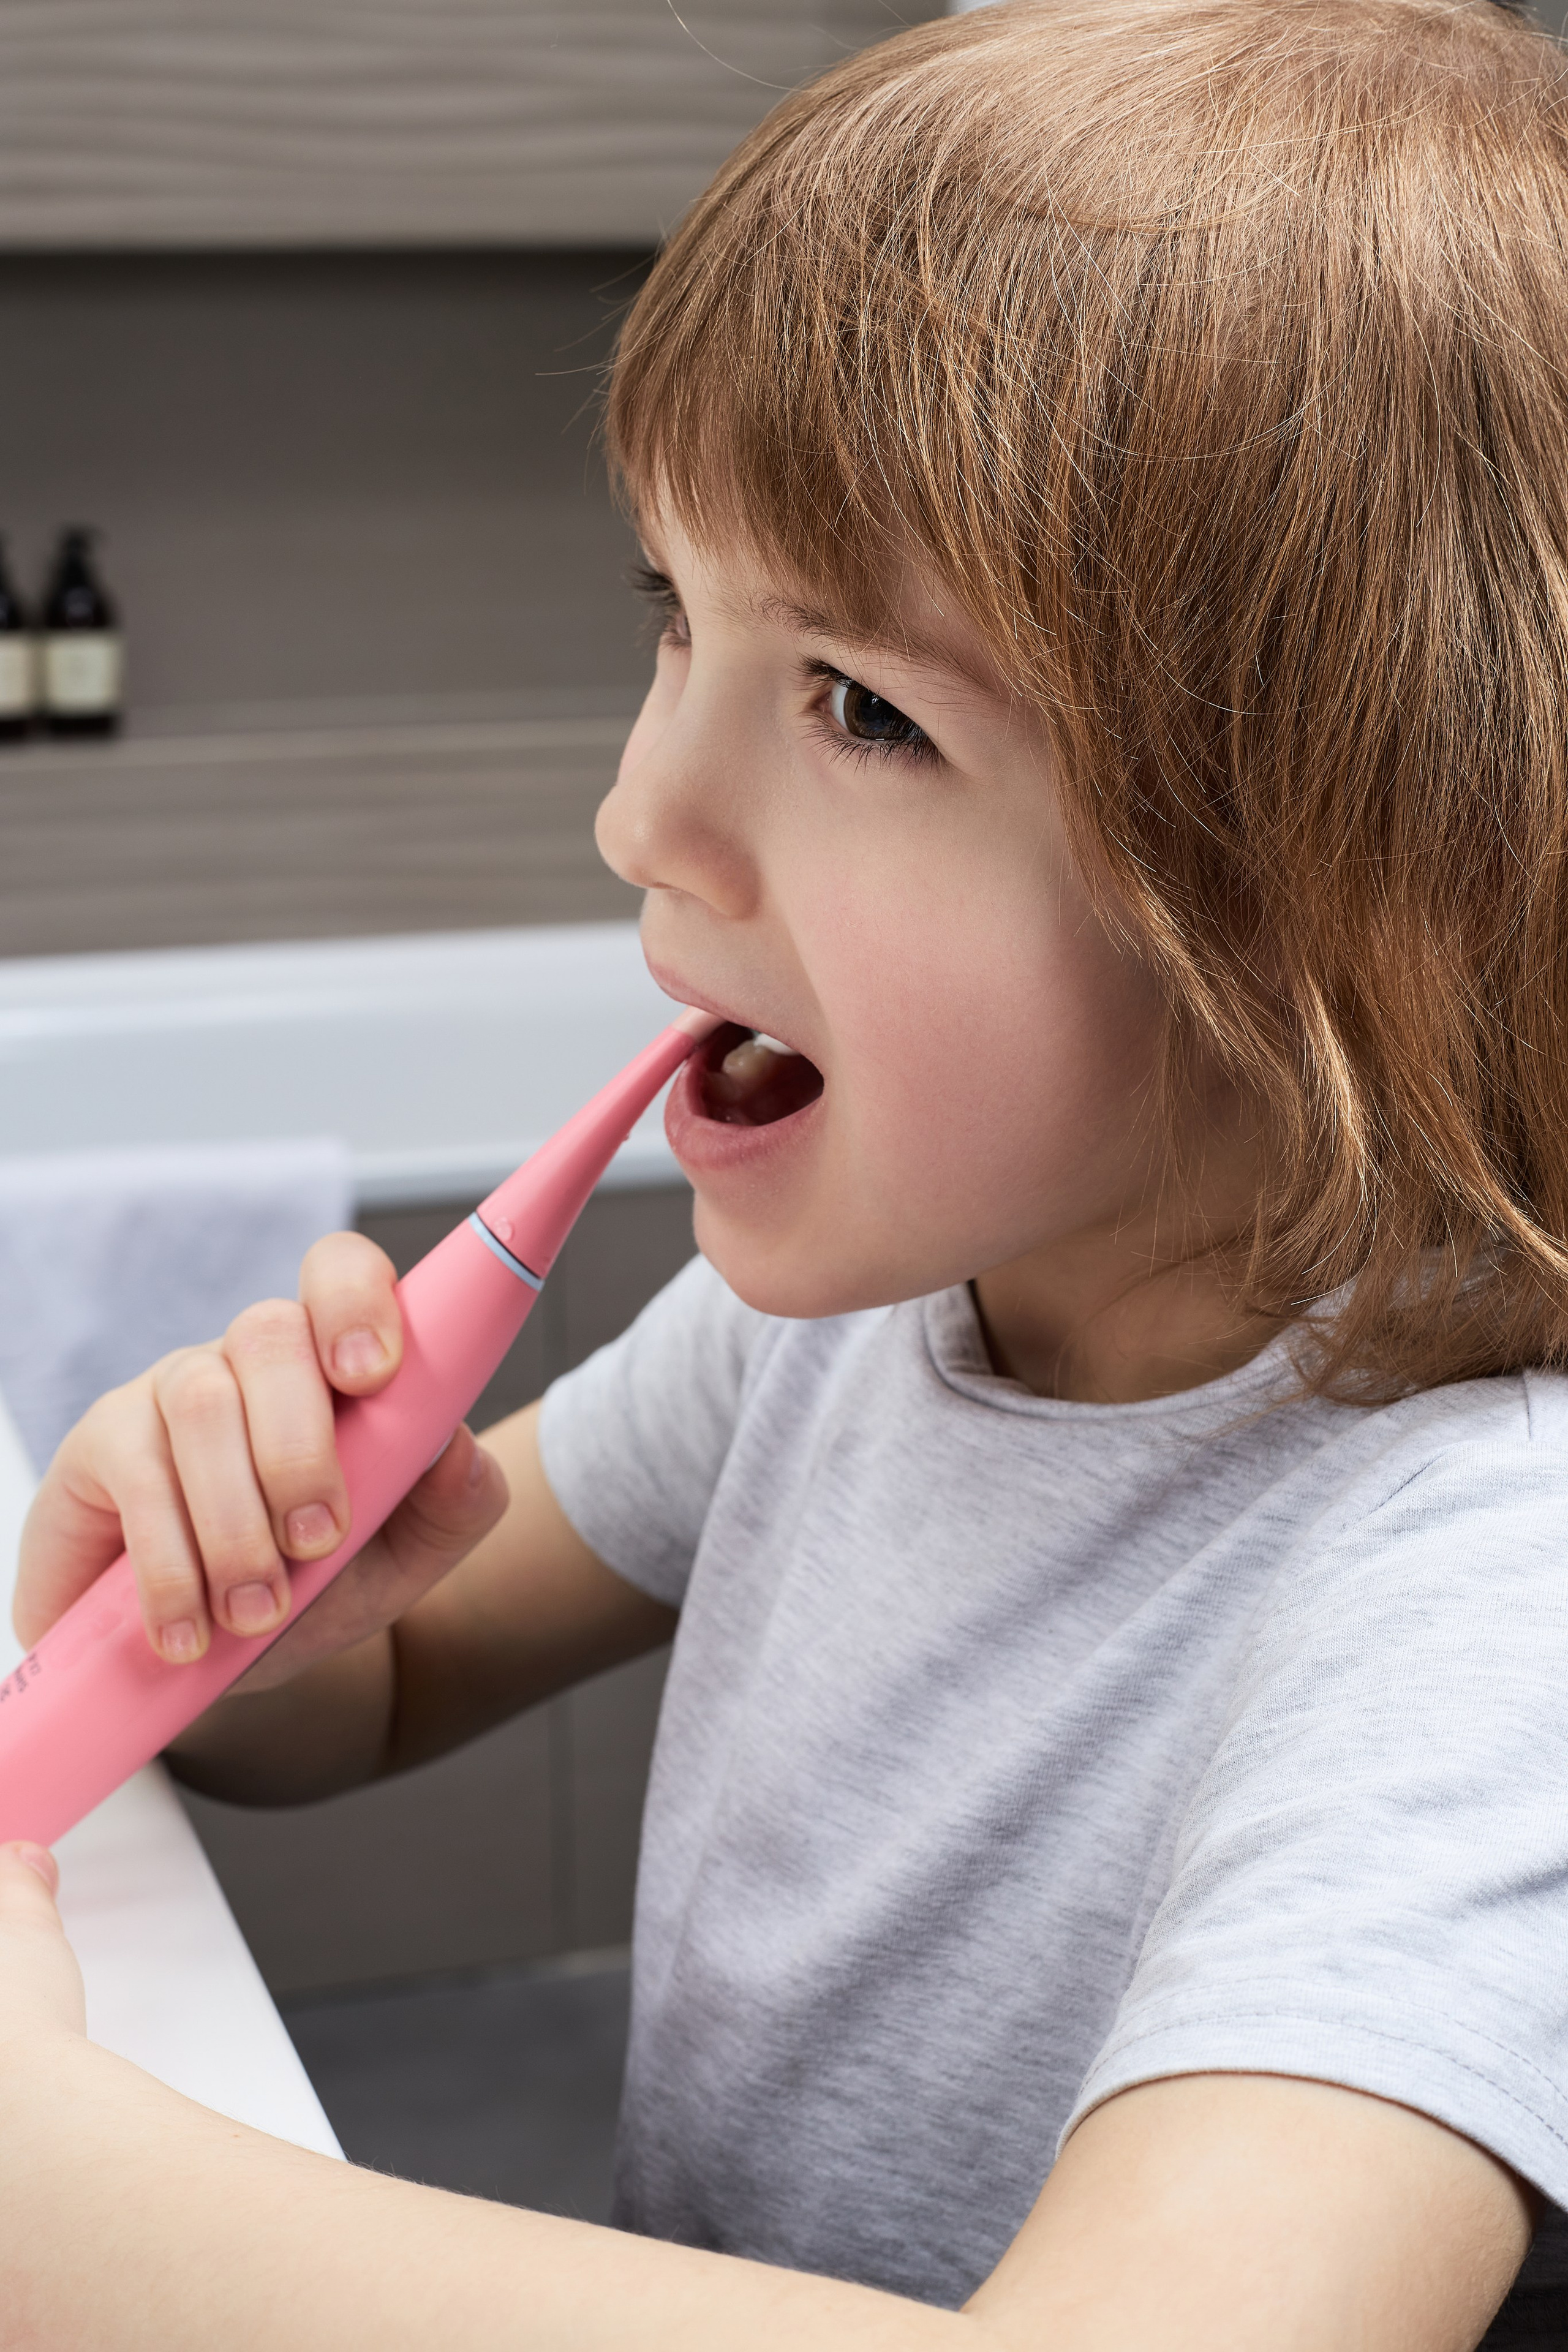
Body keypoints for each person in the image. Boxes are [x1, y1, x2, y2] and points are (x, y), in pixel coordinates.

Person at [4, 1, 1568, 2343]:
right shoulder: (840, 1327)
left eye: (859, 705)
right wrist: (246, 1605)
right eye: (672, 614)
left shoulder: (1484, 1596)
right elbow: (392, 1675)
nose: (638, 817)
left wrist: (65, 2194)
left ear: (1340, 911)